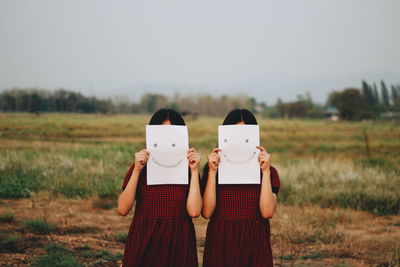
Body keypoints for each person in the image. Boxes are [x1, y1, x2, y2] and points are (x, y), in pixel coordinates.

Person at [118, 108, 202, 267]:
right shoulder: (141, 166)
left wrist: (195, 170)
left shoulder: (189, 168)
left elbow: (195, 211)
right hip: (145, 238)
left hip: (179, 240)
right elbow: (122, 209)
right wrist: (136, 169)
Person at [201, 109, 280, 267]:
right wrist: (212, 172)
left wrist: (264, 172)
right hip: (220, 238)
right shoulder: (212, 169)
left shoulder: (268, 171)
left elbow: (267, 212)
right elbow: (207, 212)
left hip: (255, 239)